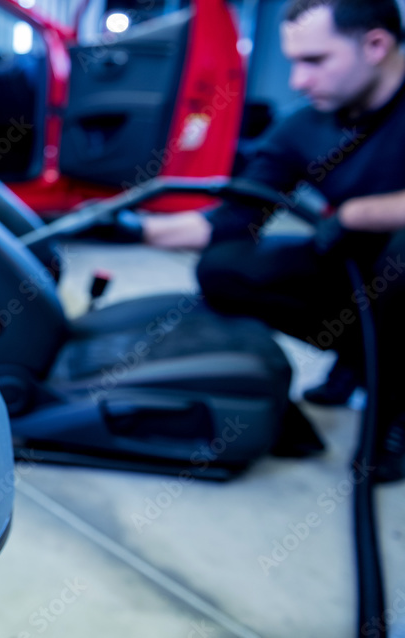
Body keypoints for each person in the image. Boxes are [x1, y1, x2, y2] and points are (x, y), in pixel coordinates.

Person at [138, 0, 405, 481]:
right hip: (356, 280)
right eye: (294, 62)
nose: (299, 82)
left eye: (315, 61)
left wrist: (357, 213)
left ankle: (395, 410)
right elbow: (234, 216)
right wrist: (125, 227)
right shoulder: (307, 126)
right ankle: (359, 358)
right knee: (224, 268)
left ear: (376, 45)